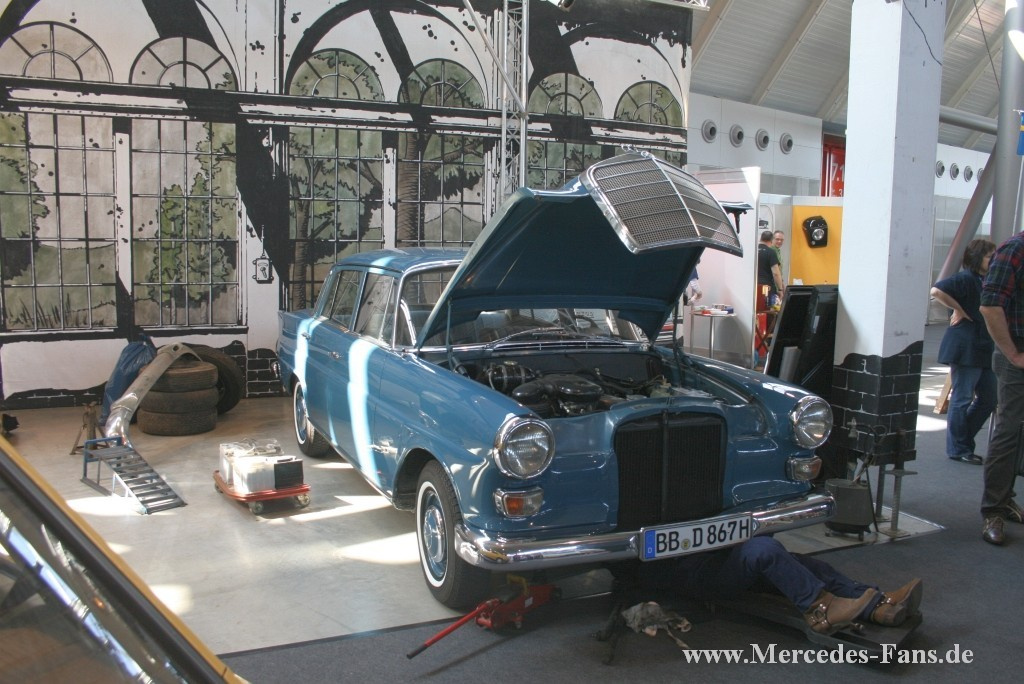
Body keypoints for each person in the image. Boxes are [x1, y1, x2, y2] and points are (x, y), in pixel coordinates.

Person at [637, 536, 923, 635]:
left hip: (719, 556)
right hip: (693, 575)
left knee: (801, 564)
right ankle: (820, 610)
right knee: (764, 551)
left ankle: (878, 606)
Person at [930, 239, 997, 465]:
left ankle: (961, 442)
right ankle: (959, 447)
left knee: (989, 398)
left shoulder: (985, 280)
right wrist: (958, 309)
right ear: (977, 258)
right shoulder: (967, 278)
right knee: (963, 398)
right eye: (989, 256)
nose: (993, 260)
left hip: (982, 346)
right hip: (966, 346)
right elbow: (937, 290)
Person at [978, 232, 1024, 545]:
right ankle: (994, 509)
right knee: (1010, 429)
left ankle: (1005, 500)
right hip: (1017, 353)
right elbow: (990, 306)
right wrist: (1013, 354)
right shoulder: (1015, 249)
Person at [757, 229, 784, 308]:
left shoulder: (753, 250)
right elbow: (776, 273)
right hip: (766, 288)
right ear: (772, 240)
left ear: (760, 239)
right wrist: (780, 289)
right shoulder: (771, 252)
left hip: (753, 286)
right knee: (768, 310)